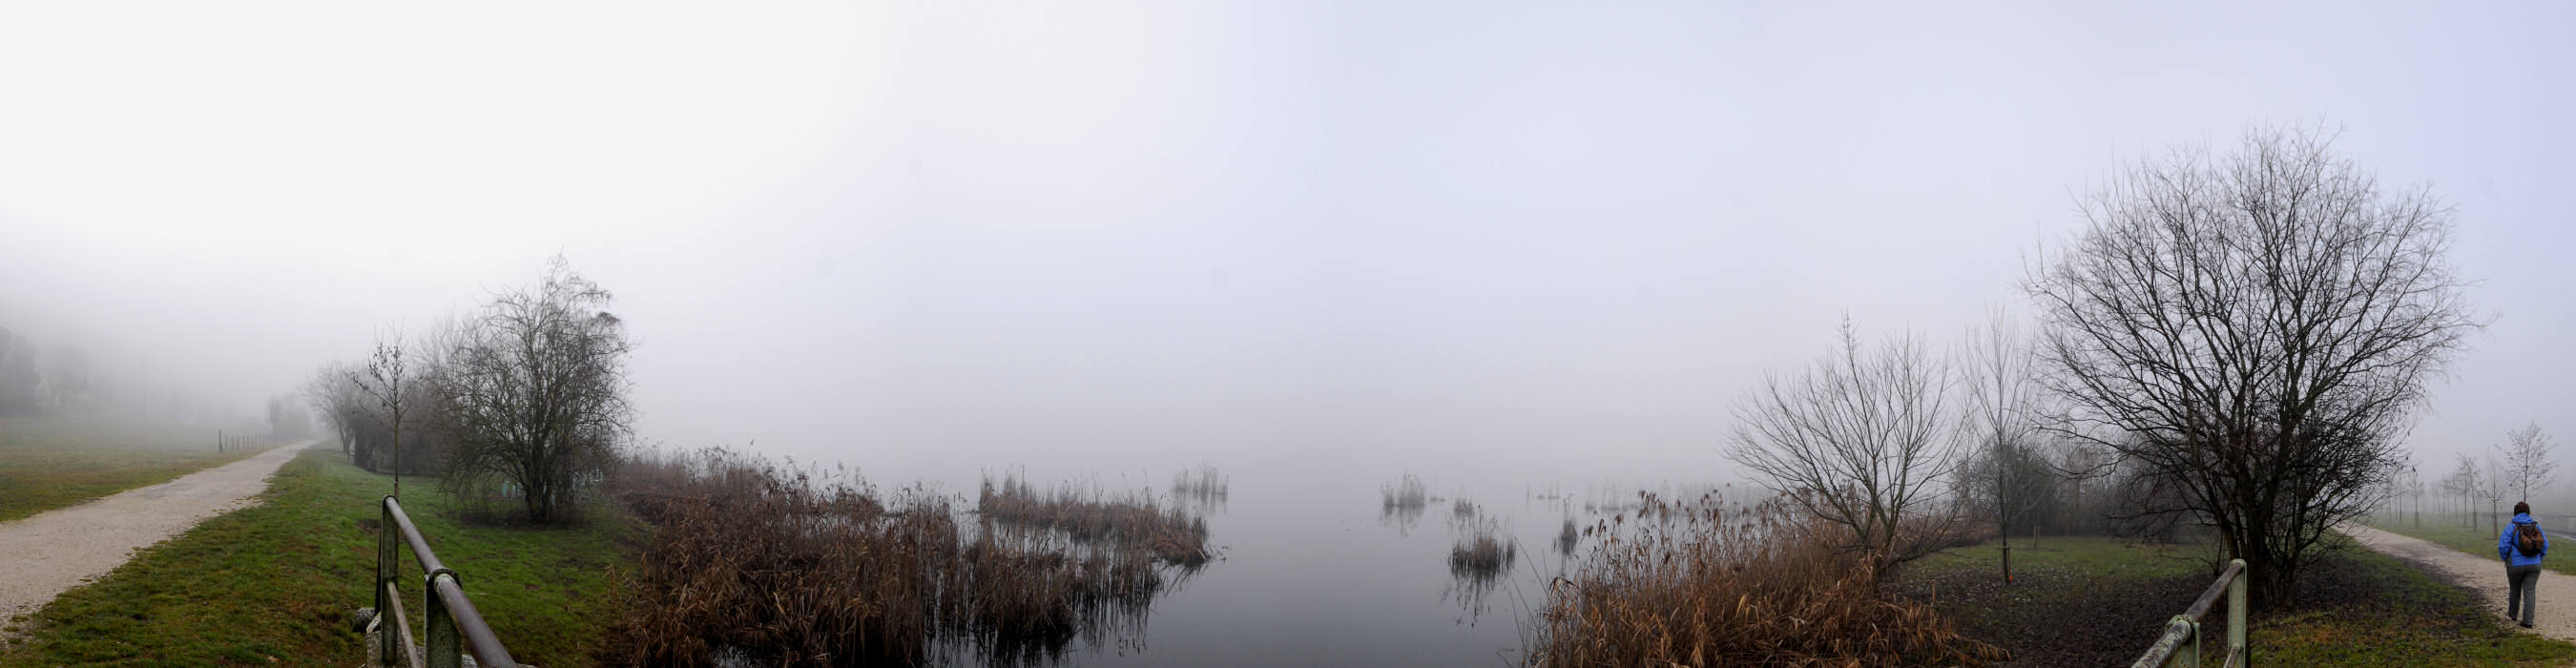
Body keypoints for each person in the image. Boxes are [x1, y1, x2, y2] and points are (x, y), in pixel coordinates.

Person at [2501, 501, 2549, 629]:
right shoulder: (2536, 528)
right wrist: (2539, 558)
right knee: (2530, 591)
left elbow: (2503, 546)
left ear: (2515, 512)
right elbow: (2545, 545)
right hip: (2534, 564)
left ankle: (2513, 615)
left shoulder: (2511, 527)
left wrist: (2506, 559)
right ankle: (2528, 622)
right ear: (2528, 513)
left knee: (2515, 589)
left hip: (2515, 565)